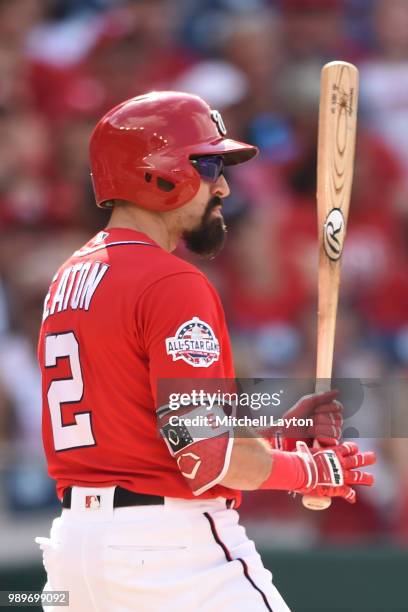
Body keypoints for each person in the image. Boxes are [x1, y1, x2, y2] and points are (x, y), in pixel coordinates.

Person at [36, 91, 376, 611]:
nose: (222, 185)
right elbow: (203, 456)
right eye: (209, 163)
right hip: (172, 555)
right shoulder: (172, 281)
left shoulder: (68, 277)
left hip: (74, 560)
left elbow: (157, 423)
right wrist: (307, 470)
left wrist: (273, 428)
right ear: (157, 172)